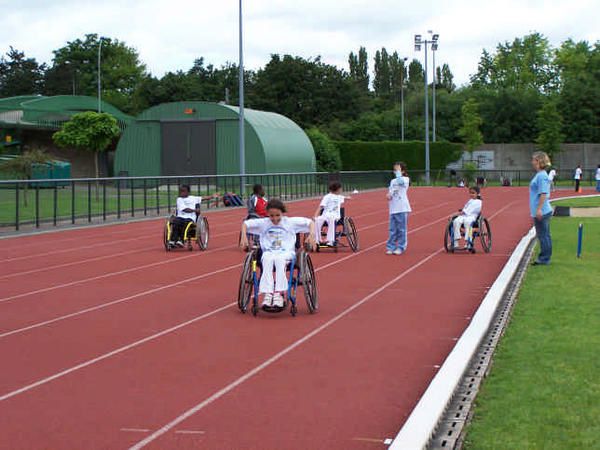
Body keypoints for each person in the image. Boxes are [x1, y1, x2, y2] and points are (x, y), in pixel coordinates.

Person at [240, 199, 316, 309]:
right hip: (269, 252)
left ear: (282, 213)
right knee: (266, 259)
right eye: (271, 216)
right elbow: (245, 224)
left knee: (280, 260)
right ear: (267, 214)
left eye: (277, 215)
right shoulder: (264, 223)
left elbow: (310, 222)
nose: (275, 219)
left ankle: (279, 294)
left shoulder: (290, 222)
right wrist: (244, 237)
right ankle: (268, 294)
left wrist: (312, 235)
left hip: (286, 253)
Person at [530, 152, 553, 265]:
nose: (532, 162)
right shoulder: (540, 175)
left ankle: (544, 258)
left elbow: (543, 193)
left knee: (543, 235)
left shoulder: (542, 176)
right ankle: (545, 257)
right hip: (541, 210)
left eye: (534, 160)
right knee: (544, 235)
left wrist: (539, 209)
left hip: (542, 211)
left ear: (539, 161)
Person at [386, 161, 411, 255]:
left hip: (402, 208)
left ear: (403, 171)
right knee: (392, 230)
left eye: (397, 169)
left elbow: (400, 182)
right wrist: (388, 195)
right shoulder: (392, 181)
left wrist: (399, 173)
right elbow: (391, 191)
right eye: (394, 169)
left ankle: (401, 247)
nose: (395, 171)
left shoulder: (405, 179)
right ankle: (391, 247)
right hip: (393, 208)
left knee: (401, 229)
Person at [313, 181, 348, 246]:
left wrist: (348, 197)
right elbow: (321, 206)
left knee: (332, 220)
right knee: (317, 220)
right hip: (325, 215)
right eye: (341, 188)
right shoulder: (327, 197)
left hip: (335, 216)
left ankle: (330, 241)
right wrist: (315, 216)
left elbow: (344, 197)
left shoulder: (339, 196)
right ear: (338, 189)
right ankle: (317, 240)